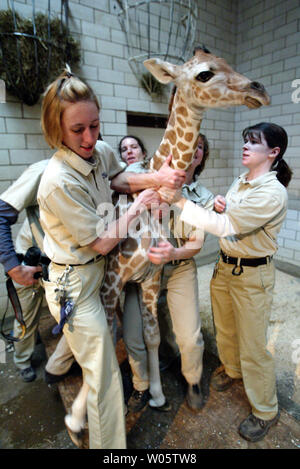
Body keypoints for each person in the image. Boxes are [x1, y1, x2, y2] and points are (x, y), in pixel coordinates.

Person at [37, 69, 185, 449]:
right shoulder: (58, 181)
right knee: (103, 374)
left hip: (99, 272)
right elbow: (102, 243)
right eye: (78, 130)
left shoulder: (98, 150)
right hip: (74, 284)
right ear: (57, 129)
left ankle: (83, 419)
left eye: (95, 125)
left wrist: (155, 178)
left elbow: (119, 179)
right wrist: (138, 206)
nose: (90, 138)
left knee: (100, 364)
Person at [159, 122, 293, 442]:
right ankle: (232, 371)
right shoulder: (243, 180)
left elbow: (223, 226)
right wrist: (222, 202)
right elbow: (229, 213)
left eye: (254, 143)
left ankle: (265, 410)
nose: (245, 146)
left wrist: (178, 200)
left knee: (253, 345)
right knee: (227, 330)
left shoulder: (272, 192)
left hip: (251, 275)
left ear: (273, 153)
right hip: (225, 268)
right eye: (245, 141)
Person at [119, 133, 215, 413]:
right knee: (134, 334)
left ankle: (193, 381)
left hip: (178, 268)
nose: (193, 150)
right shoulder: (151, 172)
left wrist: (173, 254)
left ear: (202, 156)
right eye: (189, 145)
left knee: (189, 333)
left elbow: (195, 245)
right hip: (145, 270)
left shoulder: (204, 197)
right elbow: (121, 179)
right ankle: (141, 384)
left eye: (199, 147)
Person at [0, 161, 49, 382]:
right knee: (26, 317)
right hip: (30, 262)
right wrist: (13, 266)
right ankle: (22, 361)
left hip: (57, 264)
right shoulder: (44, 170)